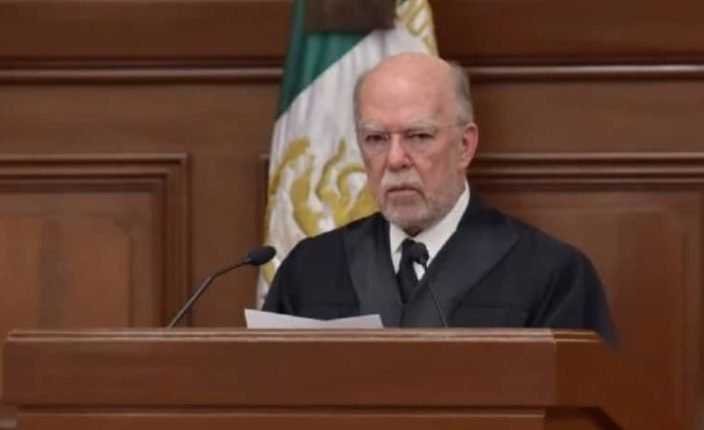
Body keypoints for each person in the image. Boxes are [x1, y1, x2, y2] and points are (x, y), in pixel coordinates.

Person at [262, 52, 617, 346]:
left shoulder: (550, 275)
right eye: (376, 139)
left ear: (464, 146)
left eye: (418, 136)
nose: (395, 159)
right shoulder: (311, 271)